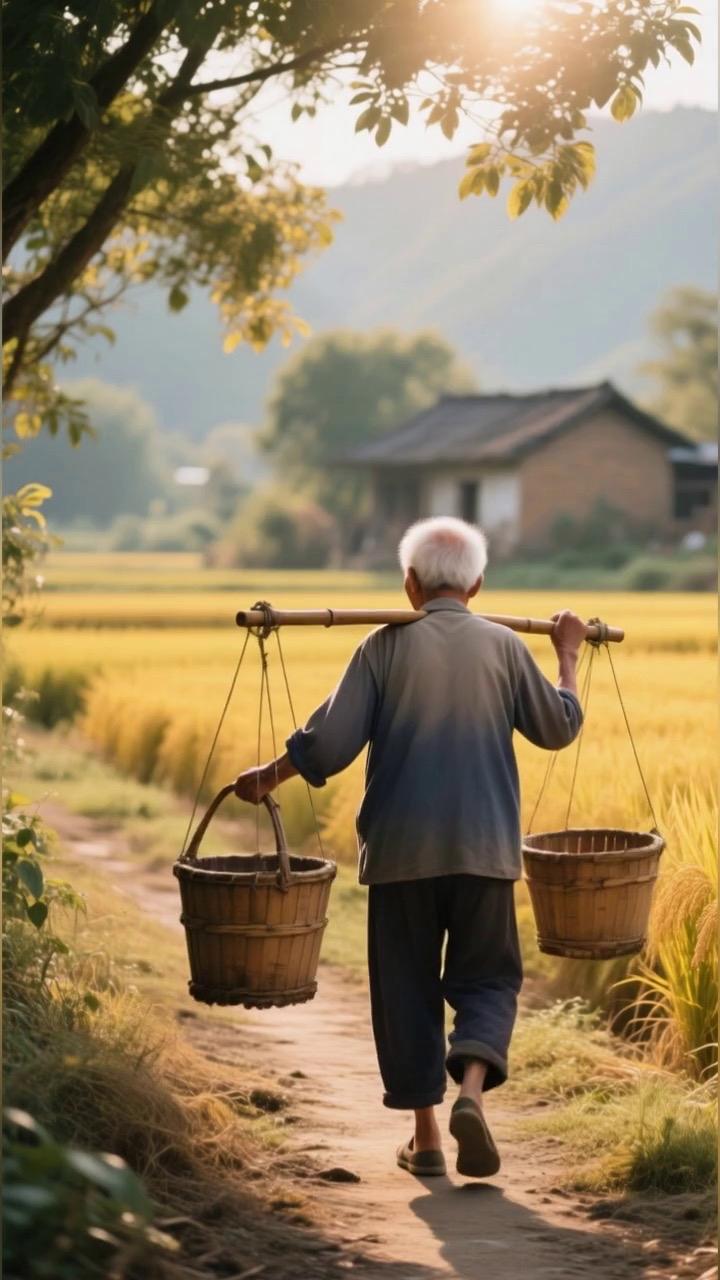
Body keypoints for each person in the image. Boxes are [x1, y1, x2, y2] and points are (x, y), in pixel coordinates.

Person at [235, 516, 586, 1179]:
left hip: (401, 852)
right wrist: (567, 655)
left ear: (410, 584)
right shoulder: (505, 647)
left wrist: (268, 776)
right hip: (484, 848)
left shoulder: (383, 647)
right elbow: (558, 726)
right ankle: (471, 1092)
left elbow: (328, 745)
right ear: (477, 586)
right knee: (488, 979)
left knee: (406, 987)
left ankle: (426, 1139)